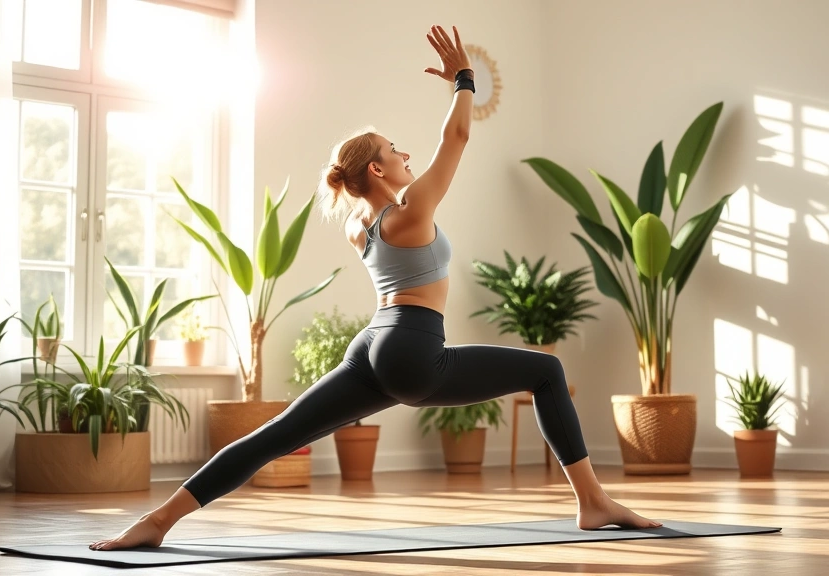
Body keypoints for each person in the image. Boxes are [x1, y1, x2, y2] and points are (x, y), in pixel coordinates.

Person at [90, 24, 659, 552]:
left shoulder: (359, 226)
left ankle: (157, 522)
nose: (407, 155)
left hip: (373, 345)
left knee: (277, 434)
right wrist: (464, 78)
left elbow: (423, 169)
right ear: (379, 173)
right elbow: (458, 135)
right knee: (547, 371)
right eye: (394, 150)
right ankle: (592, 501)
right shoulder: (409, 212)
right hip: (412, 348)